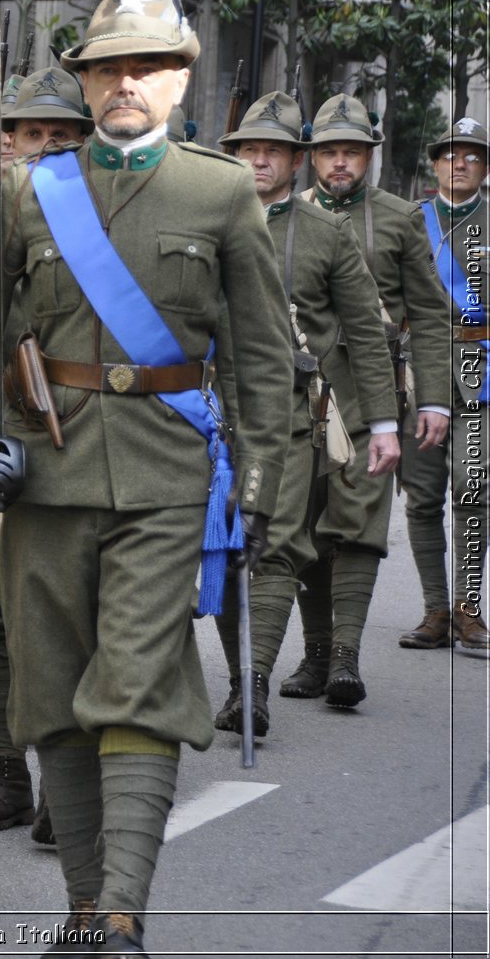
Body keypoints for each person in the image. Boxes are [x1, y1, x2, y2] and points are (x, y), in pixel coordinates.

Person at [0, 0, 292, 953]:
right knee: (49, 693)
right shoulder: (29, 189)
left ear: (178, 79)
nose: (125, 82)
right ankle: (84, 910)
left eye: (146, 66)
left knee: (134, 683)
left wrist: (260, 488)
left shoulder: (219, 191)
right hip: (41, 477)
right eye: (106, 68)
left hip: (164, 476)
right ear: (85, 83)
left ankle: (122, 913)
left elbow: (262, 359)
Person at [210, 90, 398, 737]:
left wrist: (383, 422)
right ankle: (233, 680)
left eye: (273, 150)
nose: (259, 160)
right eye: (249, 148)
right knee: (215, 548)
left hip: (289, 414)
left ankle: (254, 687)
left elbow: (368, 334)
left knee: (272, 545)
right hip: (204, 412)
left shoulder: (326, 231)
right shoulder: (207, 214)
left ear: (297, 160)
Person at [0, 66, 92, 837]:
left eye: (60, 136)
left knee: (67, 621)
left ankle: (66, 780)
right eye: (28, 134)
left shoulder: (105, 231)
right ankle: (10, 775)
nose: (40, 149)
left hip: (71, 438)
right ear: (3, 143)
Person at [284, 94, 453, 701]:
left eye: (351, 152)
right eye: (329, 151)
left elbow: (432, 317)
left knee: (357, 525)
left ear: (368, 158)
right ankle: (315, 654)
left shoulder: (401, 218)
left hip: (371, 394)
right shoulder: (286, 217)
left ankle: (346, 660)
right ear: (311, 157)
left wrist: (434, 401)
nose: (339, 163)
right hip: (298, 393)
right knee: (304, 525)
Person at [399, 116, 490, 651]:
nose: (461, 163)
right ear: (435, 165)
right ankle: (435, 610)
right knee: (423, 496)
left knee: (474, 493)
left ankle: (468, 610)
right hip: (421, 371)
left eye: (473, 156)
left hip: (483, 372)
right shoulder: (411, 221)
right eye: (451, 155)